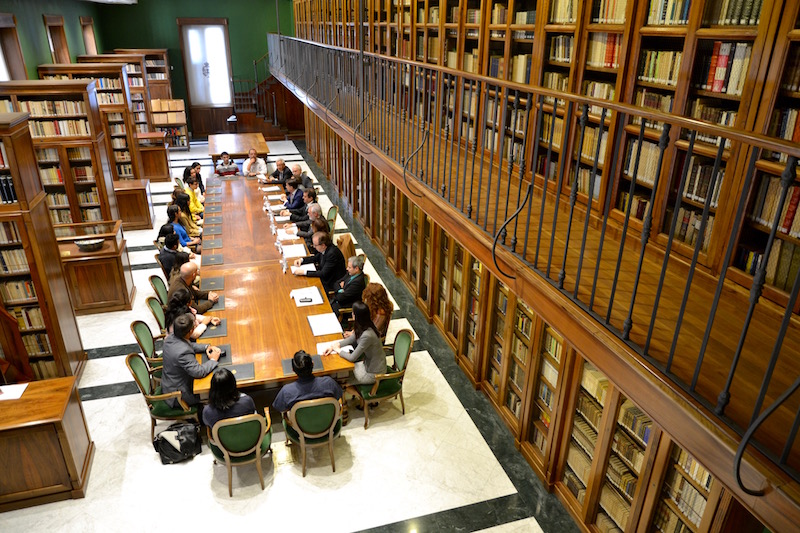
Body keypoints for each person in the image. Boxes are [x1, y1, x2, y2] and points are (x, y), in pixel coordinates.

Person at [161, 313, 221, 408]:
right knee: (217, 391)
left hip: (169, 383)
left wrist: (206, 347)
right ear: (191, 331)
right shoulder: (183, 353)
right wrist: (213, 359)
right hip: (179, 395)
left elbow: (187, 344)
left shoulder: (170, 338)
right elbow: (199, 372)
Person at [324, 301, 385, 385]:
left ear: (356, 316)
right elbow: (352, 338)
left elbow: (352, 358)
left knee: (340, 379)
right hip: (367, 365)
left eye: (353, 313)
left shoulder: (367, 335)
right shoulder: (365, 325)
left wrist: (338, 350)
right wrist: (335, 345)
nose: (351, 314)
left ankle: (354, 392)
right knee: (340, 374)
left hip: (373, 373)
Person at [272, 350, 342, 413]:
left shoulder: (286, 391)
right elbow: (338, 395)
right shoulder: (329, 383)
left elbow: (279, 407)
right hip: (327, 422)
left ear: (293, 370)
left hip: (300, 426)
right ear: (313, 364)